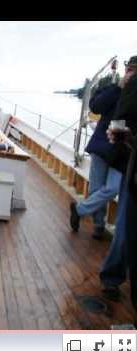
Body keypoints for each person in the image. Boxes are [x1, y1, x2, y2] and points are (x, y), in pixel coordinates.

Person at [97, 55, 137, 302]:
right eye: (129, 68)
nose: (129, 72)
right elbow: (116, 119)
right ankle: (112, 277)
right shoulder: (129, 85)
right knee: (125, 226)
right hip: (128, 163)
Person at [69, 69, 124, 239]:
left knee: (113, 188)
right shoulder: (113, 89)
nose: (131, 75)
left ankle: (79, 210)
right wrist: (118, 88)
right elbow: (95, 106)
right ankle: (99, 226)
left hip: (122, 150)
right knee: (96, 188)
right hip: (102, 145)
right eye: (129, 70)